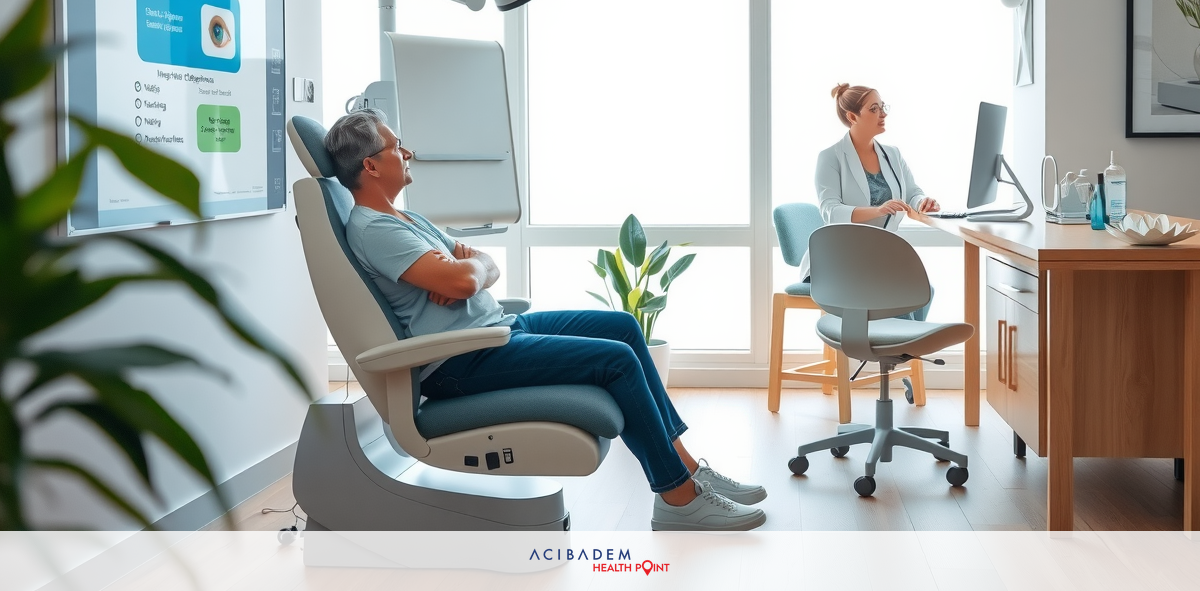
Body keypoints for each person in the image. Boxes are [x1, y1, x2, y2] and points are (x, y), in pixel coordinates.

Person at [323, 108, 767, 531]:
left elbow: (480, 269)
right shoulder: (376, 230)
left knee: (623, 327)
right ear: (372, 166)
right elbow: (463, 282)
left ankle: (689, 469)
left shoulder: (405, 217)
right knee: (617, 361)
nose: (407, 153)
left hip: (494, 330)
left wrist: (473, 269)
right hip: (462, 360)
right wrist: (469, 274)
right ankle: (679, 498)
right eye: (397, 147)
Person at [798, 84, 937, 321]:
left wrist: (923, 201)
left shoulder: (892, 154)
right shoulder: (830, 157)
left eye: (882, 107)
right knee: (903, 295)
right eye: (874, 109)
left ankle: (897, 351)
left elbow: (911, 192)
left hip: (877, 256)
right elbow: (831, 211)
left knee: (924, 290)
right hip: (840, 259)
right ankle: (895, 350)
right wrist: (877, 210)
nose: (882, 114)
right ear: (852, 117)